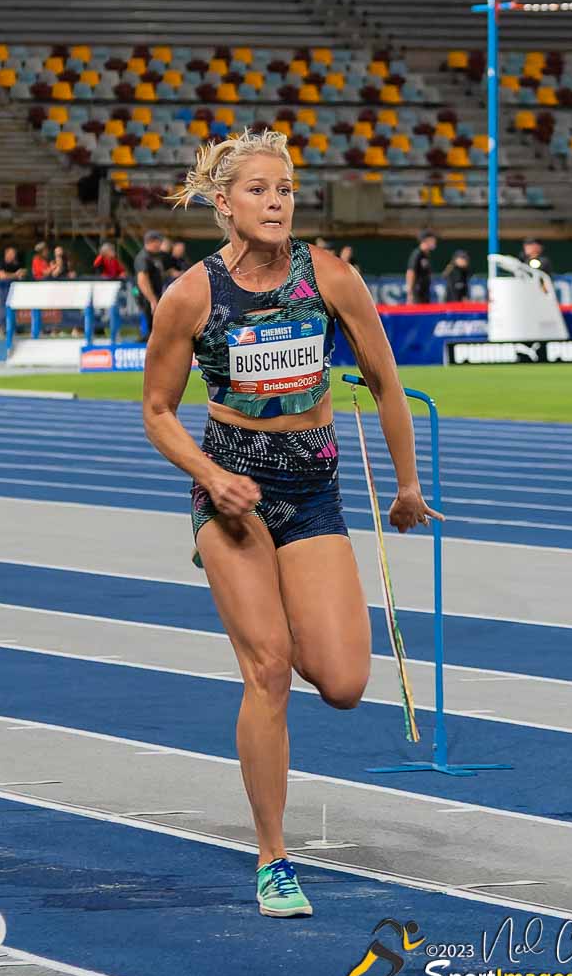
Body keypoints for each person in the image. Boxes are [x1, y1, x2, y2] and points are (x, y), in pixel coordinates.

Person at [146, 128, 440, 919]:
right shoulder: (192, 296)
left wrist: (407, 485)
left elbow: (385, 383)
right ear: (223, 203)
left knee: (342, 682)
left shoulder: (331, 277)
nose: (276, 203)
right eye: (258, 190)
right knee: (268, 667)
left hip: (312, 494)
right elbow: (157, 413)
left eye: (285, 190)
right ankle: (274, 858)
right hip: (231, 496)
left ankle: (283, 620)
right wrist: (210, 475)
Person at [132, 229, 167, 339]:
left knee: (156, 323)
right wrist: (152, 300)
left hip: (155, 294)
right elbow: (142, 280)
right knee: (149, 323)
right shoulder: (143, 258)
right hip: (146, 295)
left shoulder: (155, 256)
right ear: (152, 242)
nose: (160, 244)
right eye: (159, 241)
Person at [405, 229, 435, 303]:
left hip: (425, 291)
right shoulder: (417, 254)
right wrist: (410, 292)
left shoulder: (426, 255)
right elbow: (410, 271)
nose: (434, 242)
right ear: (426, 240)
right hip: (417, 291)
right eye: (432, 240)